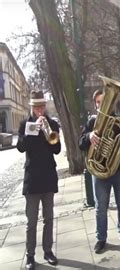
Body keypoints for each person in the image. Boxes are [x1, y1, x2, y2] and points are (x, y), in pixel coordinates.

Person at [79, 89, 120, 254]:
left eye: (105, 101)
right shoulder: (91, 123)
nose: (101, 105)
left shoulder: (119, 120)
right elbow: (81, 143)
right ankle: (101, 238)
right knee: (100, 207)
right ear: (95, 104)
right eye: (98, 102)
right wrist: (89, 136)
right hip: (99, 172)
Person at [17, 90, 61, 270]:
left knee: (49, 218)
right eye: (37, 107)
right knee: (31, 221)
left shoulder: (52, 124)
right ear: (32, 108)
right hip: (32, 179)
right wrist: (33, 130)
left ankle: (48, 251)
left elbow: (57, 149)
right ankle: (30, 256)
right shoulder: (25, 124)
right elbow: (20, 147)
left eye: (42, 106)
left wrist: (46, 131)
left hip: (48, 176)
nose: (40, 110)